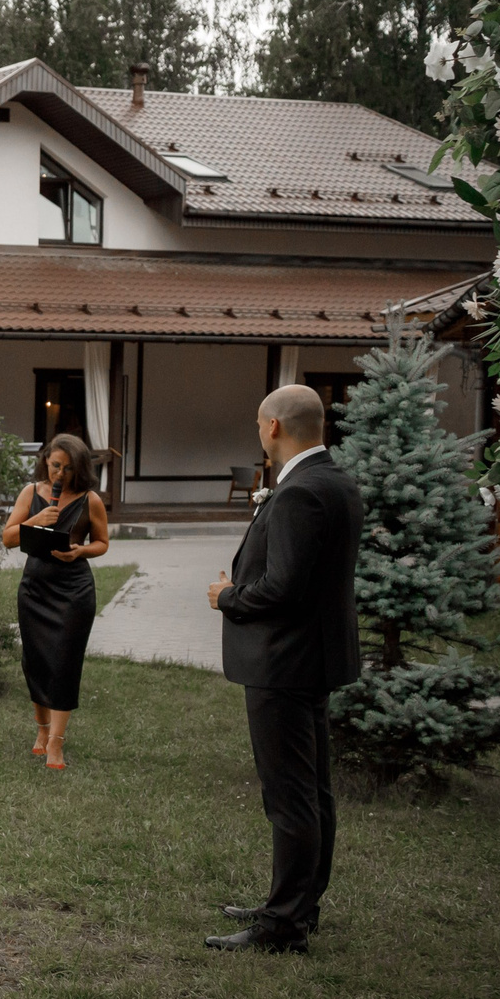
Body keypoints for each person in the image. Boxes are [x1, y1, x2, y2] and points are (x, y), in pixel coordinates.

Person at [206, 384, 362, 955]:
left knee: (291, 795)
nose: (258, 431)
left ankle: (284, 925)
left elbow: (283, 588)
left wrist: (227, 596)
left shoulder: (299, 492)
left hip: (284, 661)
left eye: (257, 422)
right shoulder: (337, 481)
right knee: (314, 791)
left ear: (273, 426)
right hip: (313, 658)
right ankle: (298, 904)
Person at [4, 434, 111, 770]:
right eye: (54, 465)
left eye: (66, 468)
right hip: (35, 589)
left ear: (78, 468)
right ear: (46, 460)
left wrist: (81, 550)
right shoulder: (30, 494)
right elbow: (7, 538)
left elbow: (103, 543)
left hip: (74, 591)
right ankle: (41, 730)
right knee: (34, 663)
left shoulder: (90, 499)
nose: (59, 474)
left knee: (64, 665)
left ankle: (56, 744)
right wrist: (36, 520)